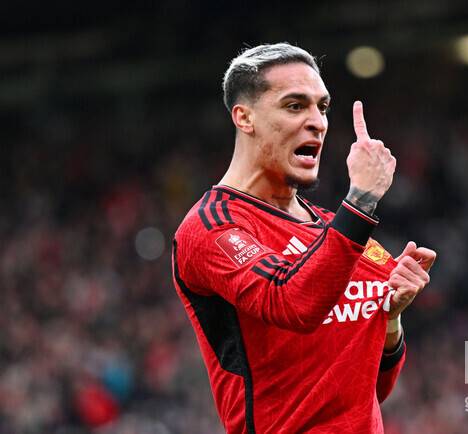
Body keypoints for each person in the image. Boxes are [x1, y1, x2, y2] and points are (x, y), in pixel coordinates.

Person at [171, 43, 436, 434]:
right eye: (295, 106)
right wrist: (361, 199)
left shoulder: (338, 233)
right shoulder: (213, 227)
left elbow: (373, 390)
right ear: (245, 117)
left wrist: (391, 320)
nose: (317, 122)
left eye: (322, 107)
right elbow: (292, 301)